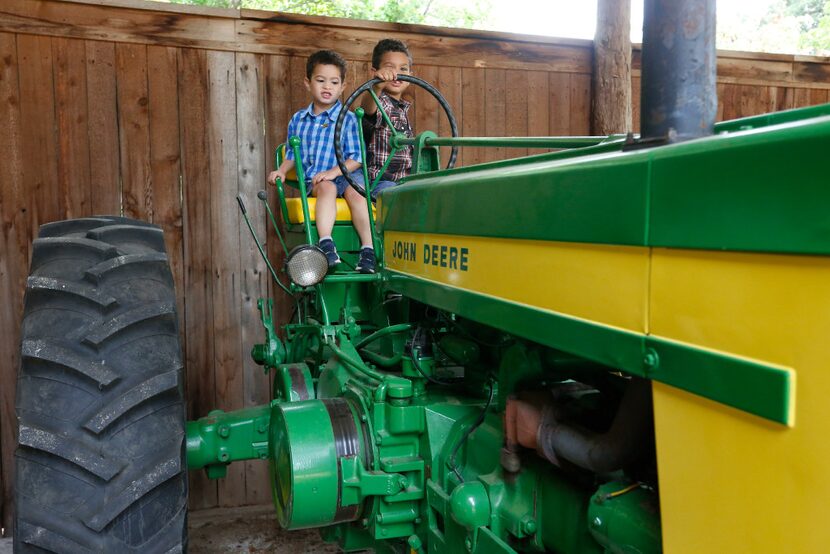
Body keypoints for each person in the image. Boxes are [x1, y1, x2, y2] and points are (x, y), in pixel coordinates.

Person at [268, 50, 376, 273]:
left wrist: (336, 171)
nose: (327, 87)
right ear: (308, 83)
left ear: (342, 86)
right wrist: (280, 170)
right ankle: (326, 244)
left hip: (346, 174)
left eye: (334, 82)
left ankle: (368, 249)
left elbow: (357, 157)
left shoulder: (347, 118)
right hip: (317, 178)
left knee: (358, 192)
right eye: (321, 80)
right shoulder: (299, 119)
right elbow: (291, 153)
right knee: (326, 187)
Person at [360, 38, 415, 201]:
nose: (396, 74)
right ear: (375, 72)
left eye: (403, 69)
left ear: (411, 75)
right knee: (400, 199)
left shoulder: (402, 108)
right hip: (382, 183)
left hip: (406, 182)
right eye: (389, 68)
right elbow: (367, 110)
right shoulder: (380, 101)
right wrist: (376, 86)